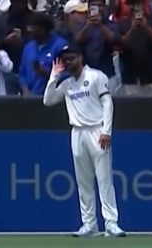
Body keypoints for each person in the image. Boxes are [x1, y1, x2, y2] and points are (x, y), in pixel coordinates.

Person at [43, 45, 126, 238]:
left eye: (72, 58)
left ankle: (111, 223)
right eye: (66, 60)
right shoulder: (67, 84)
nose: (69, 62)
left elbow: (107, 103)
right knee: (83, 181)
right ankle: (89, 224)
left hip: (97, 131)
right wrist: (54, 76)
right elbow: (47, 100)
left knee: (104, 179)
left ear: (80, 57)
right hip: (77, 133)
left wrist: (106, 131)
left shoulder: (96, 77)